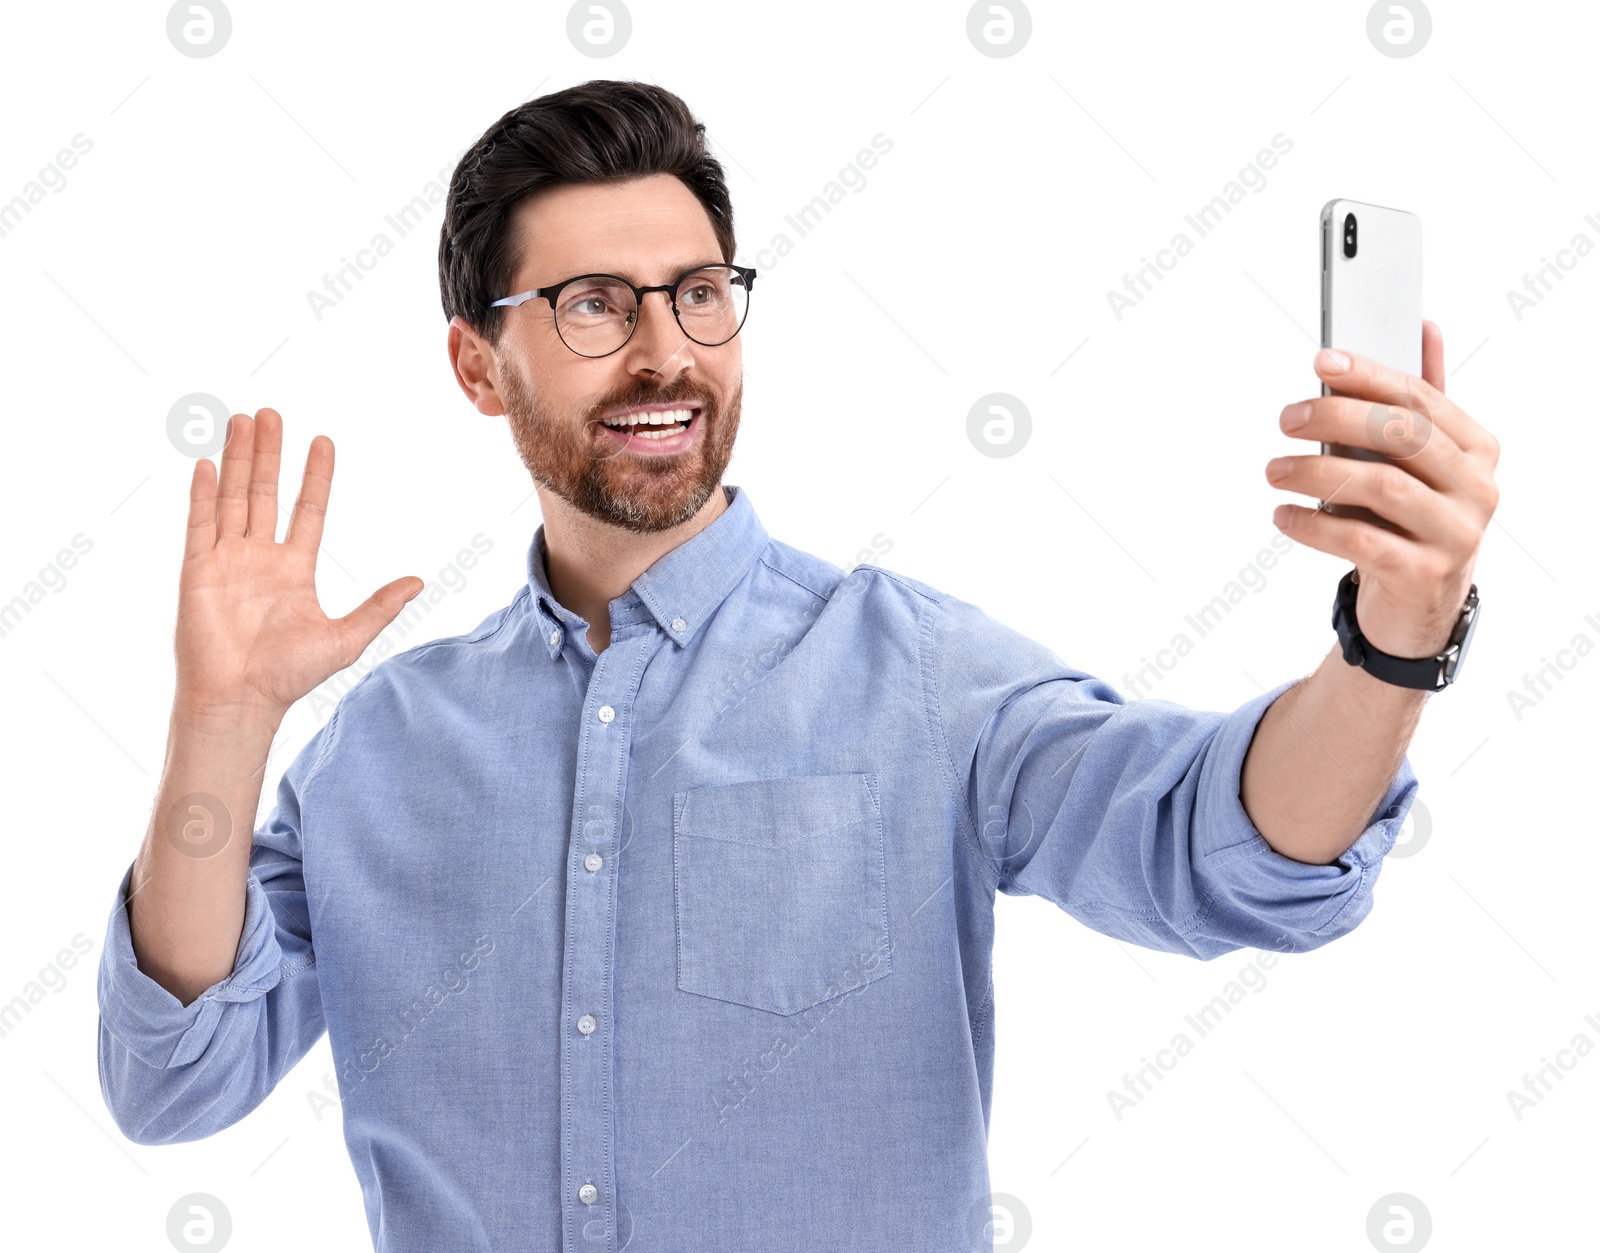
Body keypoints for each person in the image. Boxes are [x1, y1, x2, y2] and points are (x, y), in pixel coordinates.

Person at [96, 80, 1500, 1252]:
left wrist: (1394, 635)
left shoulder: (925, 678)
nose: (667, 355)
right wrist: (221, 719)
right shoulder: (380, 746)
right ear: (478, 364)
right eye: (594, 304)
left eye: (699, 294)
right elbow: (174, 1075)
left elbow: (1228, 850)